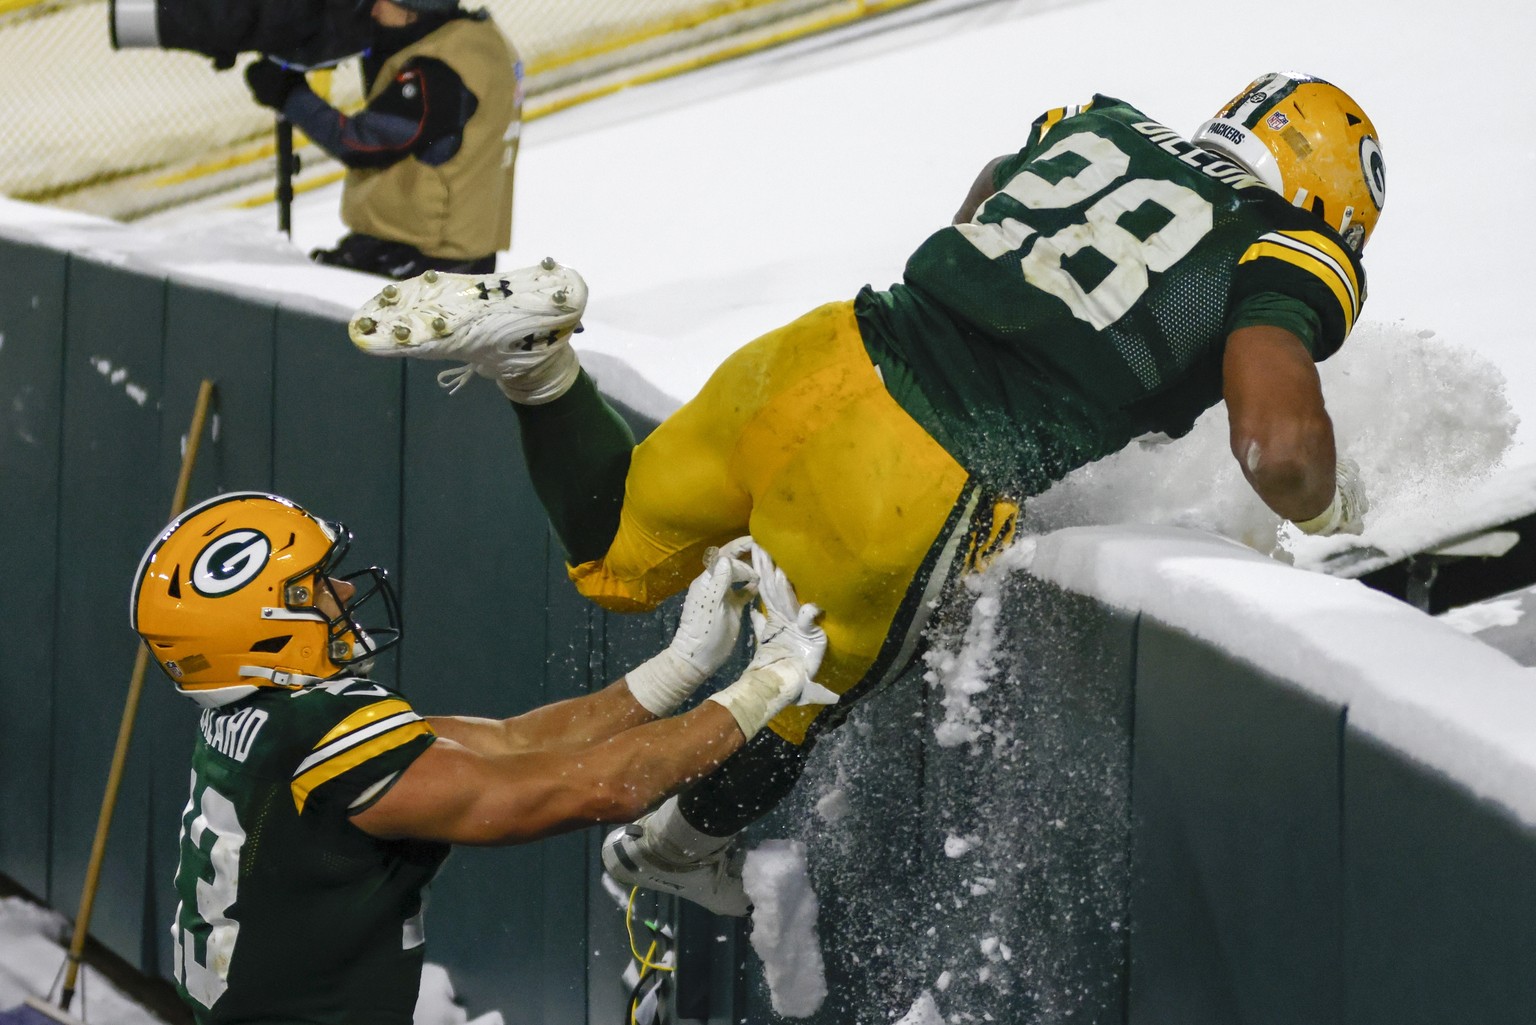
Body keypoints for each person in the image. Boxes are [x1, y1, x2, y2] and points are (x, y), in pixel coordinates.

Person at [346, 71, 1386, 916]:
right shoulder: (1281, 242)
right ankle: (674, 848)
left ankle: (536, 368)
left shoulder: (1104, 119)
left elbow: (984, 195)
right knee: (790, 697)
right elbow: (1277, 442)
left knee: (614, 552)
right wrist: (1340, 520)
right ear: (1333, 201)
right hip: (919, 467)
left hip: (823, 352)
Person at [129, 491, 828, 1025]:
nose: (343, 592)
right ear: (261, 630)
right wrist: (766, 686)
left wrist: (683, 663)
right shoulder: (319, 740)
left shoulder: (265, 722)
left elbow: (513, 744)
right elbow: (596, 790)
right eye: (312, 587)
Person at [243, 0, 521, 279]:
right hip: (458, 245)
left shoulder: (438, 71)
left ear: (414, 9)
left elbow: (360, 143)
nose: (372, 10)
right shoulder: (479, 40)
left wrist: (289, 95)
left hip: (427, 259)